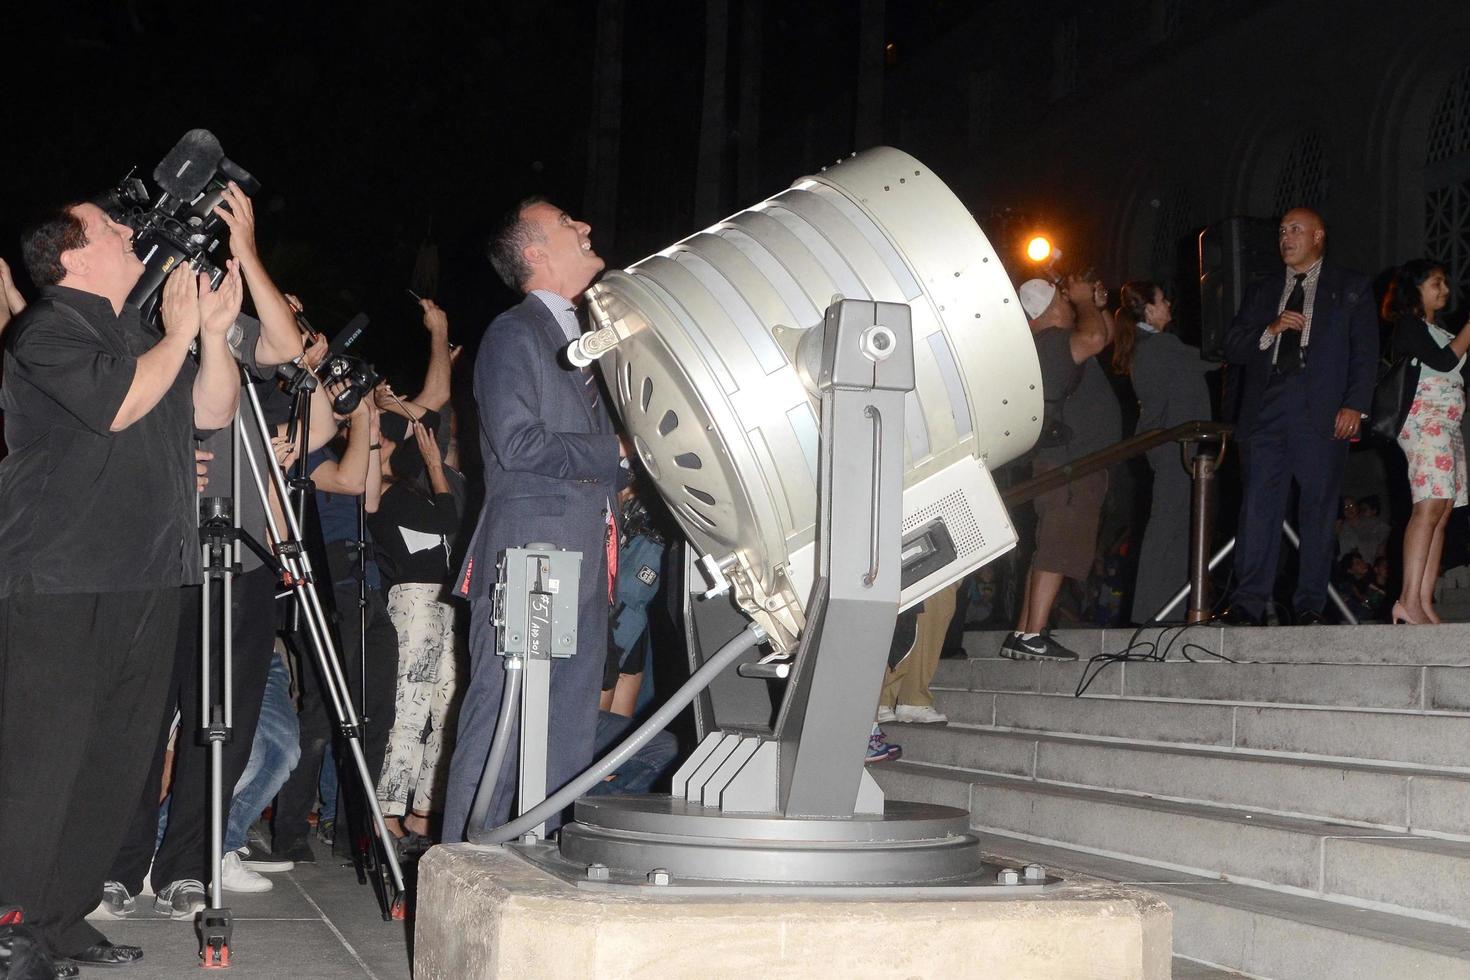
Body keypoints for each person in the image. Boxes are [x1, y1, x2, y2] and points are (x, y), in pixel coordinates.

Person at [0, 202, 241, 972]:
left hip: (147, 574)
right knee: (44, 764)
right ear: (70, 258)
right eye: (110, 228)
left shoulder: (141, 336)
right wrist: (176, 336)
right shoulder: (47, 329)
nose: (130, 233)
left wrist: (207, 334)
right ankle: (11, 927)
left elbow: (213, 408)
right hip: (61, 579)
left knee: (116, 759)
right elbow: (119, 406)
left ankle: (61, 918)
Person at [442, 197, 624, 842]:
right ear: (534, 253)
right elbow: (517, 445)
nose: (586, 224)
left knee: (569, 716)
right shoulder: (514, 333)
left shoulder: (585, 335)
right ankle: (466, 868)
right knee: (505, 716)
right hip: (534, 551)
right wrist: (619, 454)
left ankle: (543, 854)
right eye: (568, 223)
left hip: (583, 551)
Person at [1219, 208, 1378, 626]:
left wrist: (1354, 404)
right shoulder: (1263, 289)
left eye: (1295, 230)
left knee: (1318, 510)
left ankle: (1309, 604)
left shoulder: (1351, 285)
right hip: (1267, 408)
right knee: (1257, 507)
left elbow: (1365, 353)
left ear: (1319, 235)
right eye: (1281, 231)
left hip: (1322, 411)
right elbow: (1232, 346)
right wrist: (1268, 331)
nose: (1285, 238)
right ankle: (1248, 604)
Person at [1002, 275, 1120, 661]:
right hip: (1070, 466)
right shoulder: (1052, 342)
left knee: (1050, 545)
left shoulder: (1052, 343)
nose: (1070, 304)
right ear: (1052, 308)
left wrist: (1096, 307)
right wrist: (1086, 300)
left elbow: (1103, 336)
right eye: (1064, 300)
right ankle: (1033, 634)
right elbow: (1095, 339)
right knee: (1058, 543)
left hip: (1067, 464)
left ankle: (1023, 631)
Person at [366, 415, 464, 841]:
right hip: (414, 598)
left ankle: (423, 808)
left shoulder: (409, 489)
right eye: (377, 435)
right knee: (408, 707)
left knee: (446, 710)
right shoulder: (382, 493)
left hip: (444, 599)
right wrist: (435, 466)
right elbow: (447, 522)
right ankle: (386, 808)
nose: (386, 439)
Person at [1109, 280, 1214, 622]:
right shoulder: (1161, 345)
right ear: (1150, 309)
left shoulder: (1147, 346)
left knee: (1173, 523)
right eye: (1163, 298)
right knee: (1170, 524)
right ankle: (1157, 610)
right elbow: (1209, 359)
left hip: (1167, 446)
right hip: (1174, 448)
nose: (1169, 303)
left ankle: (1166, 606)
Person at [1385, 260, 1469, 623]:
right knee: (1428, 507)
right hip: (1424, 422)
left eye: (1445, 283)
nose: (1445, 290)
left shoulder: (1443, 330)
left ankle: (1422, 599)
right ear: (1415, 288)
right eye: (1437, 283)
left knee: (1442, 510)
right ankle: (1407, 599)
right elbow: (1441, 361)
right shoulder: (1408, 325)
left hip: (1448, 426)